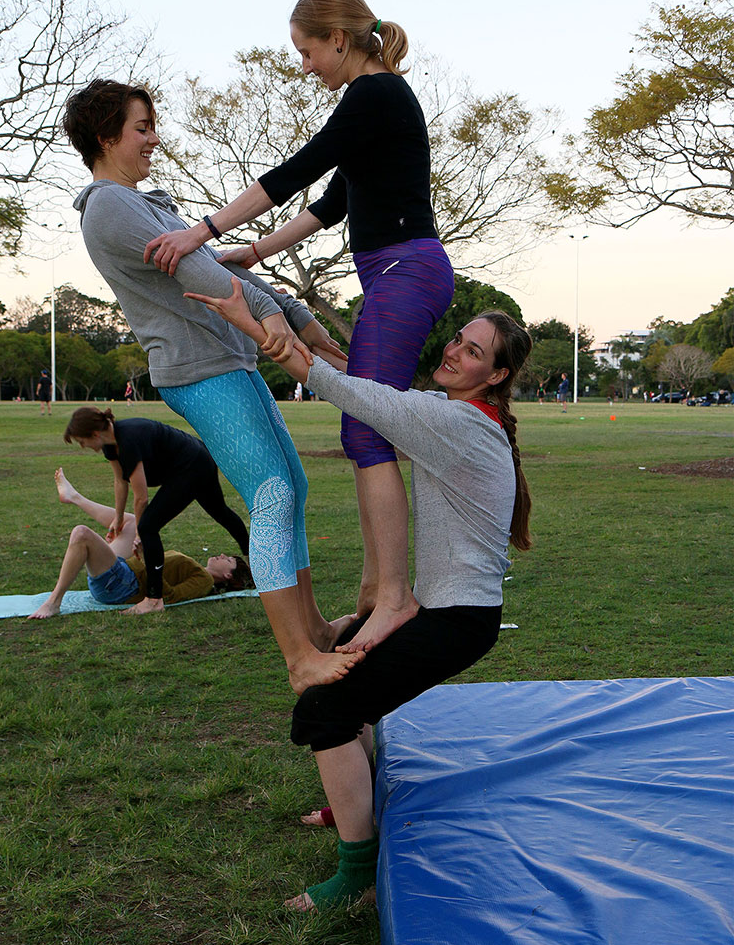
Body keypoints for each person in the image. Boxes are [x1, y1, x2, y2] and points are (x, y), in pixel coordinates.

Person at [190, 276, 533, 911]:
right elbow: (366, 385)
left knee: (326, 712)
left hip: (457, 619)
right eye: (459, 339)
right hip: (449, 611)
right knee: (348, 650)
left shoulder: (453, 420)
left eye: (475, 352)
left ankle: (358, 876)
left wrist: (248, 318)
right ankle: (361, 801)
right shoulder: (462, 417)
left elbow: (343, 387)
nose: (456, 351)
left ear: (495, 375)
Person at [143, 0, 455, 655]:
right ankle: (378, 594)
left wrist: (200, 232)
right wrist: (250, 251)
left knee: (364, 428)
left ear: (339, 39)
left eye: (308, 51)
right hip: (397, 275)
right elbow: (334, 200)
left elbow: (298, 171)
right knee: (366, 426)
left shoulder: (374, 94)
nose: (305, 65)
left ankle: (394, 599)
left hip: (407, 272)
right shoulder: (376, 105)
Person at [62, 80, 361, 689]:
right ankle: (300, 659)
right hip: (198, 370)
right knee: (272, 494)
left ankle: (318, 631)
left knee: (292, 489)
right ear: (106, 136)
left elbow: (218, 264)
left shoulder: (141, 203)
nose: (153, 138)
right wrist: (273, 319)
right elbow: (203, 273)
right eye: (142, 127)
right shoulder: (111, 205)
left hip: (228, 361)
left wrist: (297, 316)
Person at [62, 408, 250, 615]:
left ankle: (154, 599)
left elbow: (141, 498)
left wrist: (139, 535)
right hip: (186, 463)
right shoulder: (110, 444)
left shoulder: (128, 441)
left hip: (194, 464)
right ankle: (252, 561)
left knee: (149, 527)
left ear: (95, 434)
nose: (83, 446)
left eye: (82, 441)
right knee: (219, 512)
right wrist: (117, 518)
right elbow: (120, 482)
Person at [29, 468, 252, 619]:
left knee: (81, 534)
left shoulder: (203, 581)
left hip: (122, 585)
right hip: (123, 571)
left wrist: (147, 560)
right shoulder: (198, 569)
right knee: (133, 522)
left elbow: (170, 596)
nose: (223, 555)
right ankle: (73, 496)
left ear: (229, 576)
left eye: (229, 560)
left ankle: (53, 602)